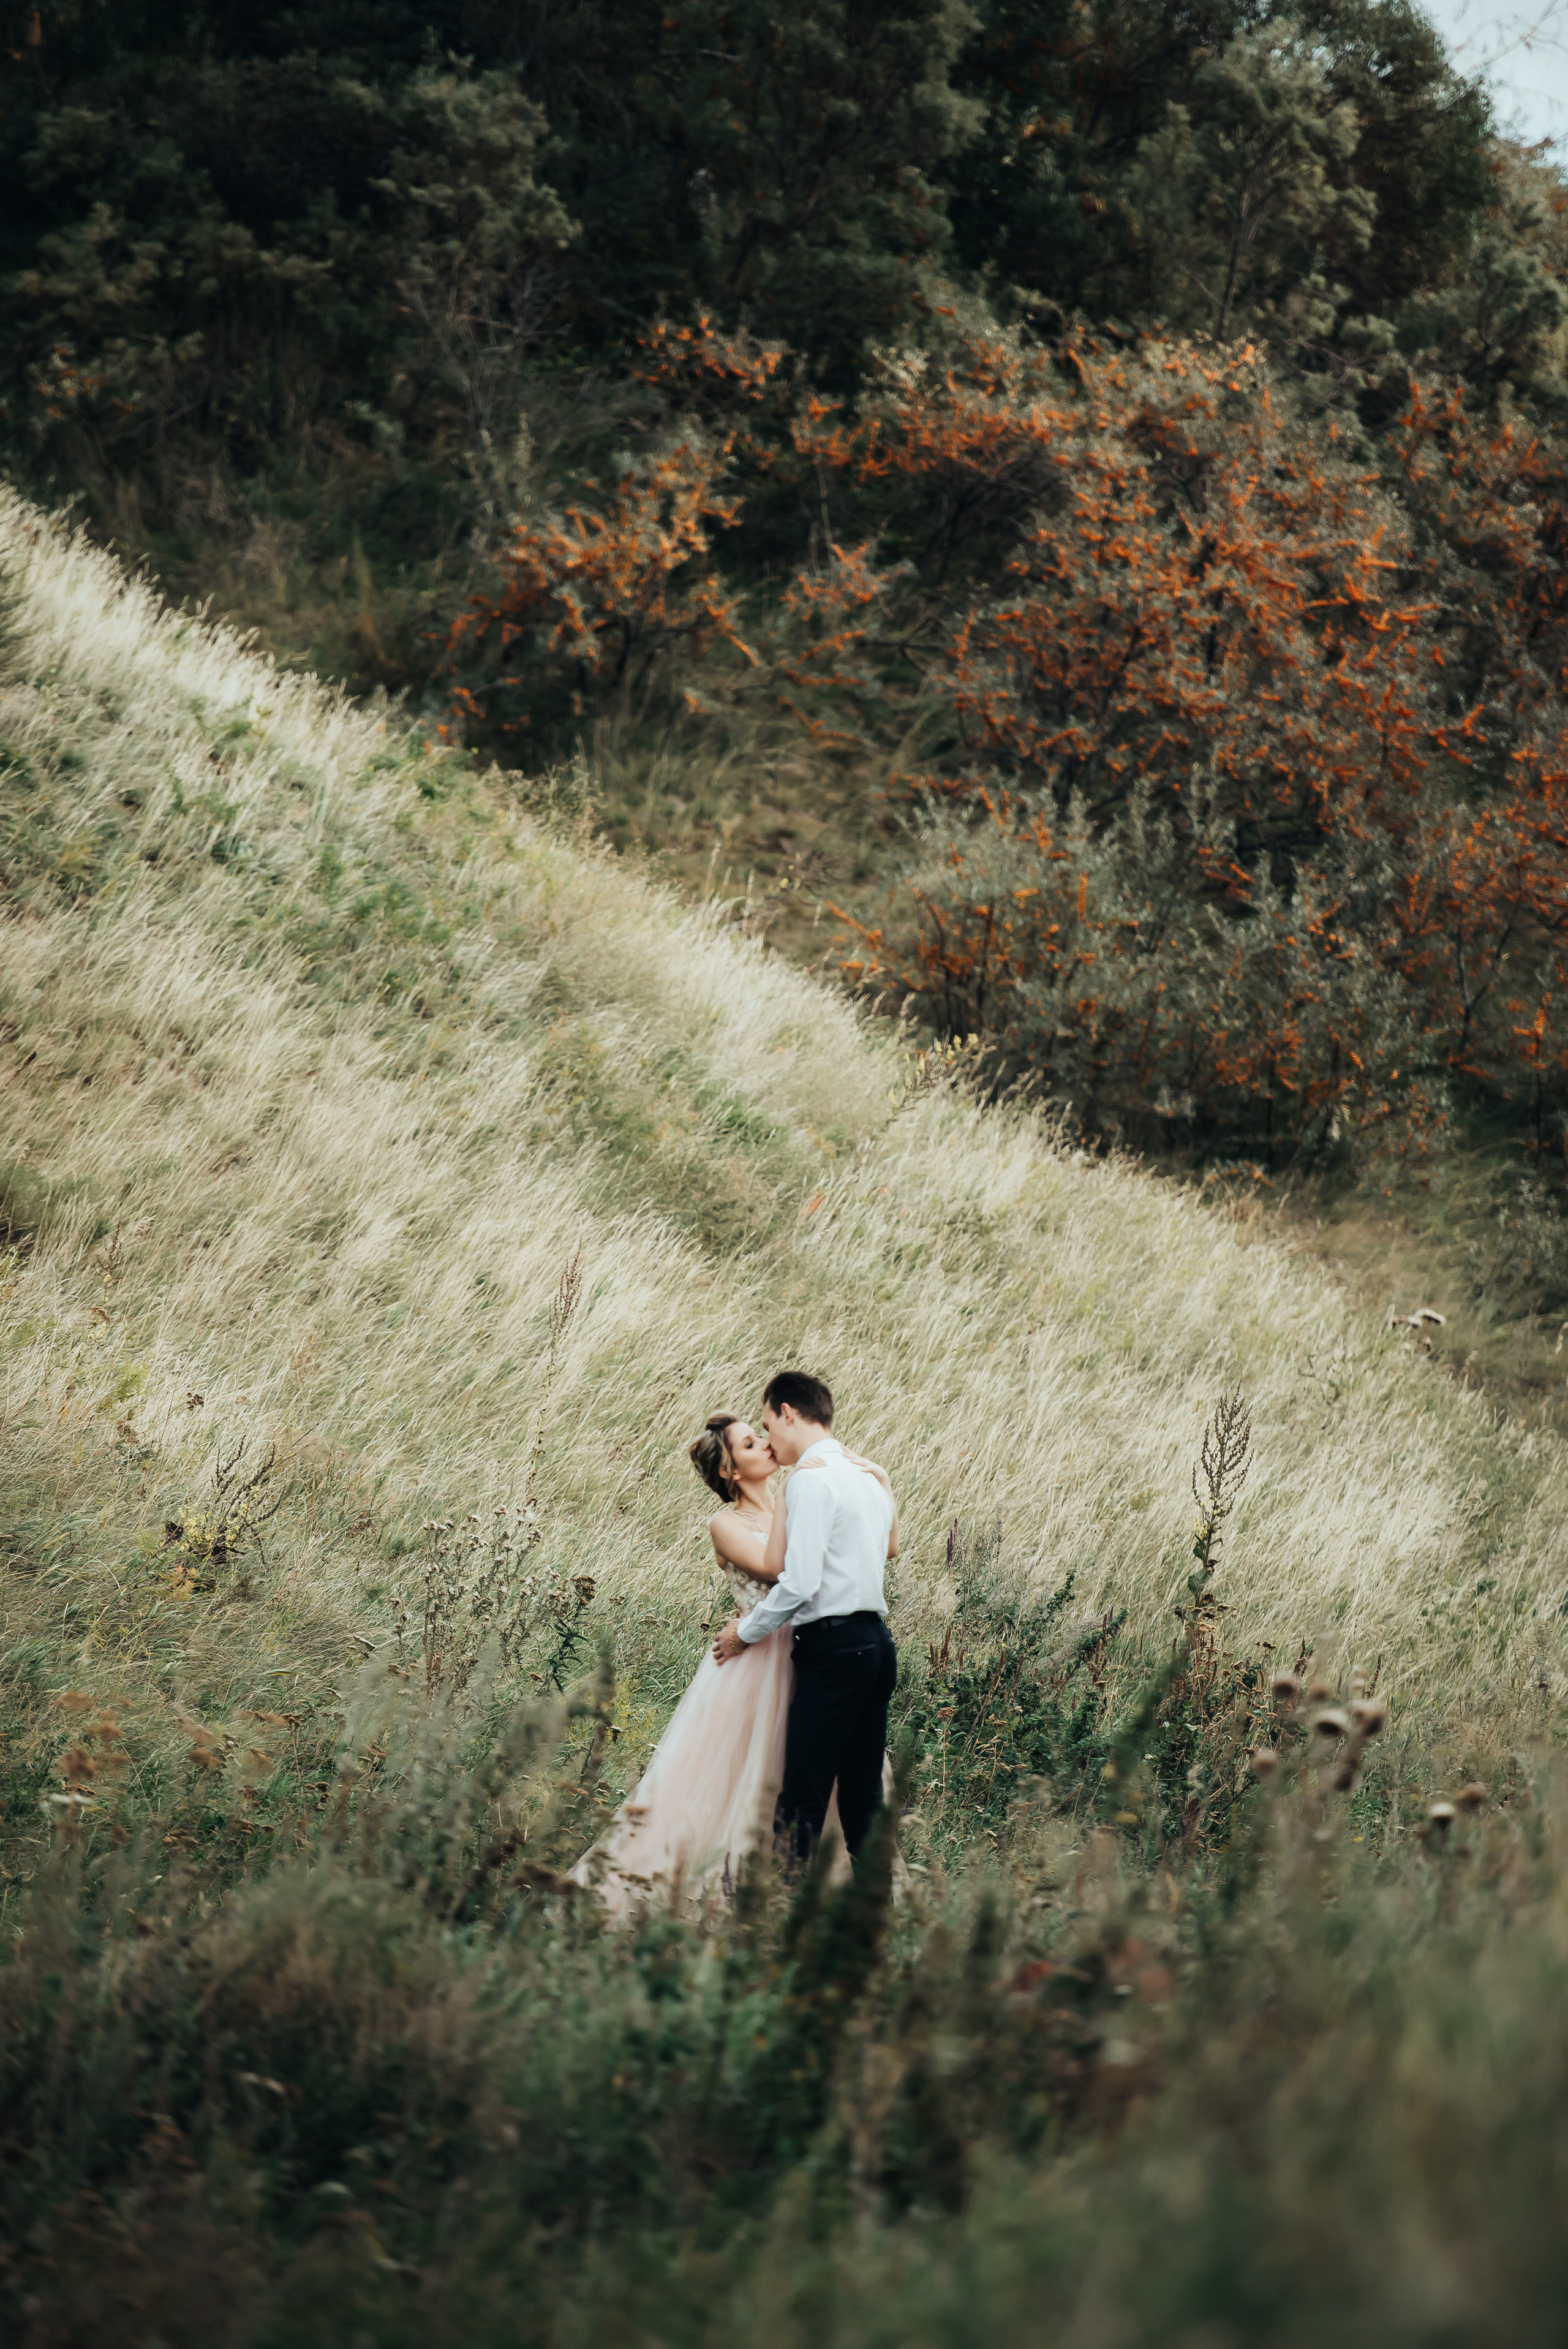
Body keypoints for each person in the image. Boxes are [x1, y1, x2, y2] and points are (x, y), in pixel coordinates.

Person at [570, 1400, 896, 1913]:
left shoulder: (798, 1497)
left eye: (761, 1436)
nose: (767, 1445)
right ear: (730, 1471)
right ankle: (741, 1892)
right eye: (750, 1444)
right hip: (757, 1663)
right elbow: (787, 1570)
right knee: (754, 1778)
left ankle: (826, 1893)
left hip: (818, 1654)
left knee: (825, 1775)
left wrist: (858, 1482)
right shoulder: (727, 1523)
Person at [712, 1370, 898, 1869]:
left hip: (834, 1648)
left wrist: (743, 1634)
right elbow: (890, 1550)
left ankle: (780, 1917)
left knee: (803, 1795)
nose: (769, 1440)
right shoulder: (866, 1479)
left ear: (788, 1414)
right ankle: (877, 1910)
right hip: (878, 1644)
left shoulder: (809, 1482)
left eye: (768, 1425)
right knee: (862, 1793)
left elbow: (797, 1582)